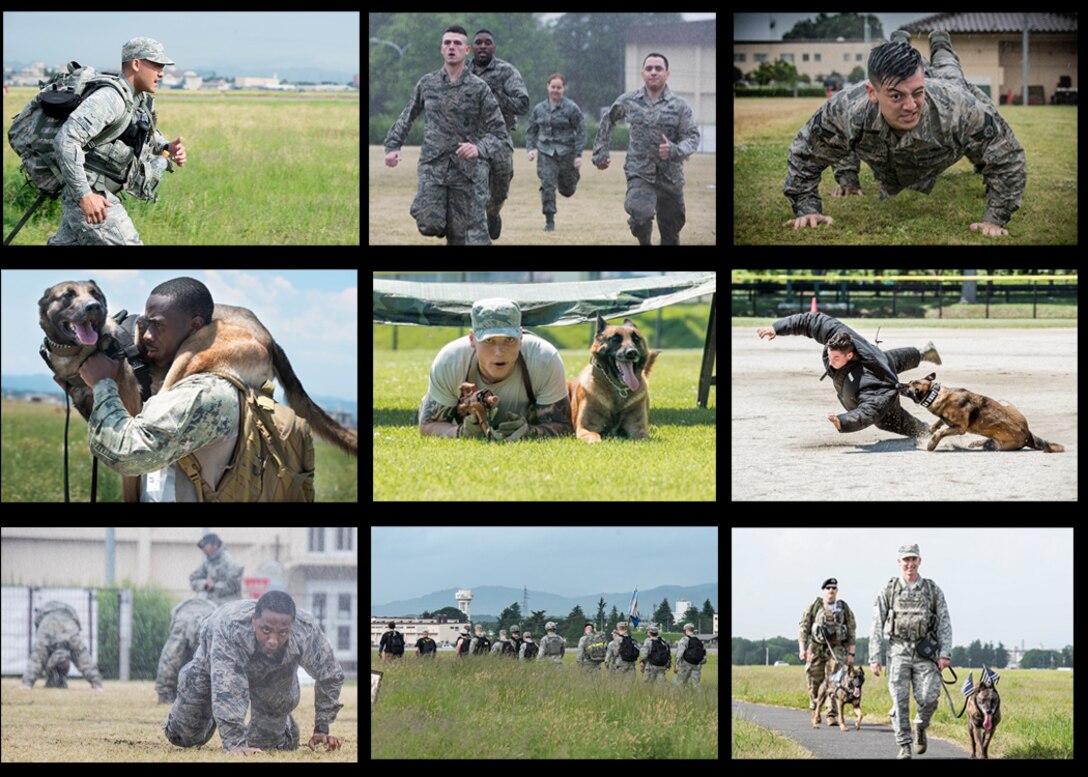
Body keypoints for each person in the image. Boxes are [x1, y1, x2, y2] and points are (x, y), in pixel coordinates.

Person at [784, 32, 1026, 238]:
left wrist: (995, 218)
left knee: (950, 71)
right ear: (872, 93)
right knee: (913, 83)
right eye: (896, 96)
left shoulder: (959, 106)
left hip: (948, 89)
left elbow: (1007, 157)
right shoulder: (846, 109)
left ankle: (940, 43)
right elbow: (809, 154)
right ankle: (900, 43)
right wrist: (810, 206)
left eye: (916, 93)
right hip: (900, 95)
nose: (910, 106)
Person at [164, 590, 344, 754]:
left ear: (292, 628)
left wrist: (321, 729)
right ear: (253, 620)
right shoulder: (230, 626)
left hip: (272, 674)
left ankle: (283, 725)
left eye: (282, 633)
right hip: (212, 667)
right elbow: (227, 685)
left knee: (267, 745)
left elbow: (330, 675)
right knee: (183, 737)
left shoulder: (306, 630)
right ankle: (205, 711)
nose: (273, 640)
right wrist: (235, 743)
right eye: (266, 630)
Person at [49, 37, 186, 245]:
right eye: (156, 65)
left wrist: (167, 147)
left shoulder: (136, 99)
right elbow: (66, 140)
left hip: (92, 194)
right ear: (137, 64)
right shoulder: (109, 99)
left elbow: (140, 133)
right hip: (93, 196)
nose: (162, 72)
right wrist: (85, 195)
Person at [384, 25, 510, 245]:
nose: (452, 47)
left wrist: (478, 148)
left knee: (465, 237)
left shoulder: (479, 89)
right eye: (447, 43)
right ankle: (425, 204)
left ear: (467, 50)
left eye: (457, 43)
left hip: (467, 172)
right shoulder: (427, 84)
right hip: (433, 167)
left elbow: (498, 132)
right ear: (441, 49)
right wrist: (393, 146)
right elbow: (407, 115)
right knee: (429, 223)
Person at [756, 311, 941, 440]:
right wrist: (776, 328)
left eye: (836, 357)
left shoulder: (872, 385)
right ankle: (924, 352)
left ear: (850, 355)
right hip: (877, 363)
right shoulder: (839, 338)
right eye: (830, 354)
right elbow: (812, 320)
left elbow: (868, 412)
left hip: (880, 384)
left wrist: (843, 422)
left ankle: (926, 430)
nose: (831, 360)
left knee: (890, 421)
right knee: (888, 359)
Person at [417, 297, 572, 440]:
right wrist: (460, 432)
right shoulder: (450, 361)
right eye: (489, 340)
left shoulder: (544, 359)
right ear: (472, 340)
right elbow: (428, 425)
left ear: (521, 338)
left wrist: (530, 432)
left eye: (509, 340)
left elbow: (564, 426)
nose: (499, 352)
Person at [592, 53, 700, 245]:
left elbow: (692, 137)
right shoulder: (629, 100)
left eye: (658, 69)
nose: (653, 72)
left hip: (670, 177)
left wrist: (675, 150)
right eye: (649, 68)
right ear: (643, 73)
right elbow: (608, 119)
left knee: (671, 233)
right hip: (639, 172)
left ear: (667, 74)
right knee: (640, 216)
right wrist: (600, 151)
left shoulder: (680, 106)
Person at [869, 544, 953, 759]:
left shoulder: (932, 590)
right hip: (898, 650)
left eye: (913, 559)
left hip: (925, 651)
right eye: (906, 560)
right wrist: (875, 657)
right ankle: (905, 745)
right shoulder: (890, 589)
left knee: (929, 696)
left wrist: (945, 653)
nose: (910, 564)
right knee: (899, 701)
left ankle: (921, 725)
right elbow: (876, 623)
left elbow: (944, 622)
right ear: (899, 562)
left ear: (920, 561)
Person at [469, 28, 529, 239]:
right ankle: (480, 236)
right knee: (478, 188)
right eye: (478, 42)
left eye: (487, 43)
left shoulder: (507, 72)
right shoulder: (462, 72)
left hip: (500, 138)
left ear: (493, 47)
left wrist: (496, 95)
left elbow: (523, 105)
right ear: (471, 47)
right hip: (473, 141)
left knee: (500, 188)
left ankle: (493, 213)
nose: (483, 46)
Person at [526, 74, 586, 232]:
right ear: (548, 87)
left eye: (559, 87)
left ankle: (572, 178)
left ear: (563, 89)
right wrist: (530, 149)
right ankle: (549, 220)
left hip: (567, 152)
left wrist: (579, 154)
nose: (555, 90)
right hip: (546, 152)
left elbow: (581, 130)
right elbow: (531, 130)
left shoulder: (571, 108)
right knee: (547, 185)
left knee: (567, 190)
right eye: (553, 87)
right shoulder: (539, 109)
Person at [798, 580, 856, 723]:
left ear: (837, 591)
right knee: (814, 678)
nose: (831, 590)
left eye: (834, 588)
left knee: (835, 680)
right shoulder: (814, 607)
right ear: (823, 590)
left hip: (837, 648)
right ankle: (815, 709)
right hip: (816, 648)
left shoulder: (843, 608)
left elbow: (851, 630)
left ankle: (831, 714)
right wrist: (802, 649)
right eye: (828, 588)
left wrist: (851, 653)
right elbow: (803, 628)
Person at [20, 601, 104, 691]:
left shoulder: (44, 622)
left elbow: (36, 658)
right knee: (81, 655)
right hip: (69, 626)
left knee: (39, 656)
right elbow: (83, 658)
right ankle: (97, 685)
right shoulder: (69, 617)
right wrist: (97, 683)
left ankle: (29, 684)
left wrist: (27, 683)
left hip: (47, 626)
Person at [189, 533, 244, 605]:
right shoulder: (207, 562)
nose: (203, 549)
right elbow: (193, 579)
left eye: (205, 546)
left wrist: (214, 586)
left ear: (215, 545)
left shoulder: (230, 561)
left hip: (230, 607)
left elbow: (233, 585)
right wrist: (205, 584)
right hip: (212, 607)